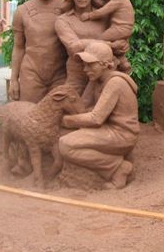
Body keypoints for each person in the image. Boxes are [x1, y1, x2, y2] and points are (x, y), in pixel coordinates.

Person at [59, 41, 139, 189]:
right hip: (108, 130)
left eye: (90, 64)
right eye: (84, 65)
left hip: (121, 135)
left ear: (104, 64)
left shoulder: (115, 83)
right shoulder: (97, 80)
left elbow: (96, 119)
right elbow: (84, 107)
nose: (85, 69)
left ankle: (117, 168)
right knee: (66, 136)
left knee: (66, 145)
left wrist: (67, 121)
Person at [9, 0, 67, 103]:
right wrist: (14, 80)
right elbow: (18, 47)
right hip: (31, 73)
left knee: (57, 118)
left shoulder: (67, 9)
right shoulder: (22, 11)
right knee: (29, 117)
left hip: (60, 74)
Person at [55, 0, 107, 94]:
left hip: (103, 74)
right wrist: (107, 44)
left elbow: (119, 40)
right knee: (70, 104)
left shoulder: (103, 17)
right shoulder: (63, 20)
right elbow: (74, 48)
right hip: (77, 74)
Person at [79, 0, 134, 72]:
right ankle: (124, 62)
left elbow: (103, 11)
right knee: (114, 44)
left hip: (120, 28)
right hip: (122, 28)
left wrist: (89, 15)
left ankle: (111, 62)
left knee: (100, 42)